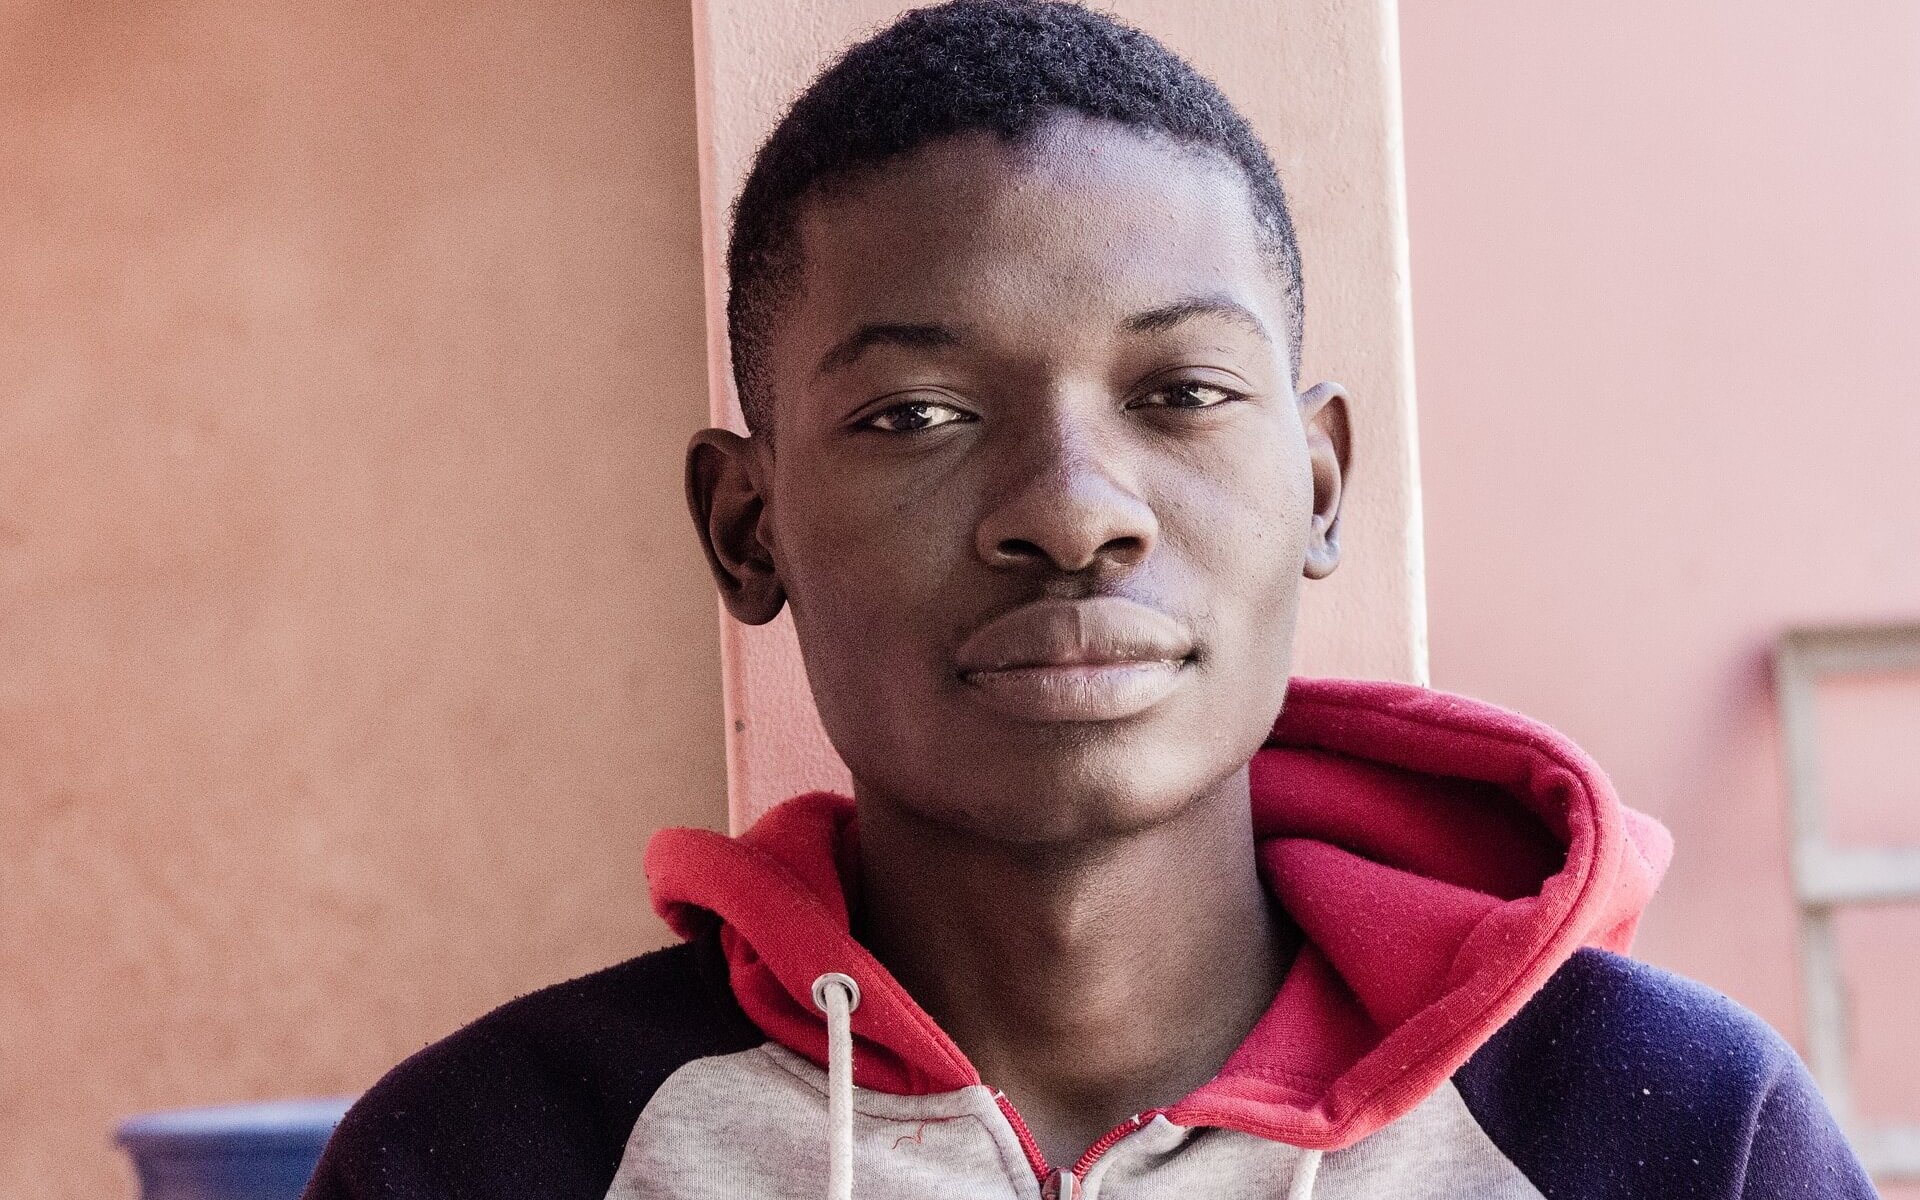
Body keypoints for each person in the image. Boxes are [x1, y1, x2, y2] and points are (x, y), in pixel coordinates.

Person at [304, 3, 1877, 1197]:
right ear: (745, 528)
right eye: (916, 415)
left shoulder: (1673, 1135)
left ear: (1320, 487)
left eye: (1181, 393)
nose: (1070, 512)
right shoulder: (487, 1156)